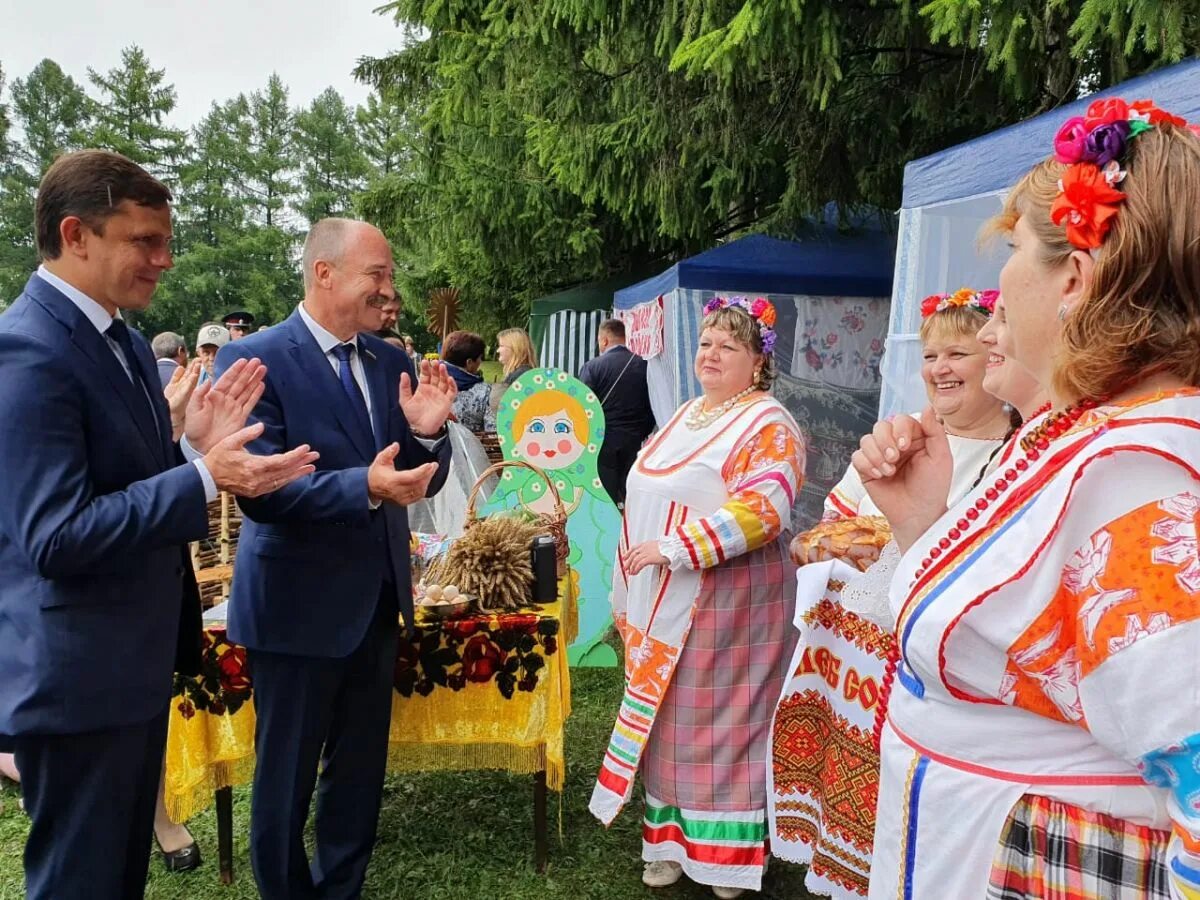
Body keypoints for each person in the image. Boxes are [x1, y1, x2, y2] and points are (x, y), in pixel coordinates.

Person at [855, 98, 1200, 899]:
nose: (998, 288)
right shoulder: (1091, 434)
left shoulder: (1135, 483)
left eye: (1012, 251)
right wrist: (921, 524)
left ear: (1075, 279)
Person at [0, 149, 318, 900]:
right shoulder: (27, 351)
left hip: (127, 665)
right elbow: (54, 536)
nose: (165, 260)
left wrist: (190, 448)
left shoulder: (125, 345)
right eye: (145, 241)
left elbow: (121, 481)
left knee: (116, 877)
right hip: (76, 676)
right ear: (76, 235)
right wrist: (207, 476)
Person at [217, 217, 455, 900]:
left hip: (376, 603)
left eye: (388, 275)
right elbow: (264, 488)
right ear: (323, 273)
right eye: (375, 275)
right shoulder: (254, 359)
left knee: (357, 772)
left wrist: (426, 437)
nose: (388, 290)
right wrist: (365, 486)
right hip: (295, 610)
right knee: (284, 779)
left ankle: (341, 887)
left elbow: (406, 474)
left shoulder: (388, 362)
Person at [774, 289, 1039, 900]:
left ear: (995, 357)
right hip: (851, 678)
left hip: (925, 689)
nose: (940, 368)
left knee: (910, 846)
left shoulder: (1016, 458)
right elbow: (819, 533)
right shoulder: (897, 438)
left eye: (959, 353)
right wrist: (830, 549)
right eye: (930, 355)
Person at [590, 296, 806, 898]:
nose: (710, 354)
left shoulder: (769, 423)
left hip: (729, 599)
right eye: (706, 343)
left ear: (757, 363)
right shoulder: (686, 414)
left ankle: (725, 854)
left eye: (728, 346)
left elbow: (765, 507)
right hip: (663, 598)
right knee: (668, 723)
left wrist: (674, 548)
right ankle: (665, 843)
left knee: (721, 722)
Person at [578, 318, 656, 506]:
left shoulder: (593, 367)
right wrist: (641, 431)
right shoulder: (645, 366)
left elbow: (582, 406)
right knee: (631, 493)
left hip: (602, 441)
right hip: (634, 439)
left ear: (604, 340)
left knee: (605, 495)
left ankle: (609, 530)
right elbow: (652, 403)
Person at [441, 329, 495, 432]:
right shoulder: (485, 392)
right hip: (471, 446)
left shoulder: (430, 383)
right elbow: (492, 434)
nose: (481, 362)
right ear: (469, 362)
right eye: (480, 358)